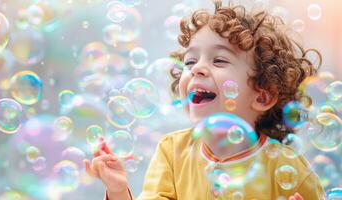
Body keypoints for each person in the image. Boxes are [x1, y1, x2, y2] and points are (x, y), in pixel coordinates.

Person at [83, 2, 325, 200]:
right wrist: (117, 191)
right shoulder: (172, 152)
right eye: (189, 62)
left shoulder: (289, 167)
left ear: (262, 95)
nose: (197, 68)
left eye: (219, 60)